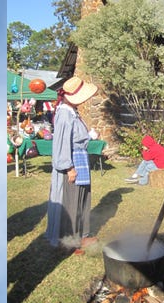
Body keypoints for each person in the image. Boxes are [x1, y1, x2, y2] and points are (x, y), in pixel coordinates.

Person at [45, 76, 99, 252]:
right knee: (71, 201)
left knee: (82, 199)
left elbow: (76, 137)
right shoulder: (64, 114)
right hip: (71, 163)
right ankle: (70, 240)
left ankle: (81, 235)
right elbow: (61, 143)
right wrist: (69, 167)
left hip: (79, 159)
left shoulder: (72, 112)